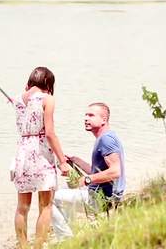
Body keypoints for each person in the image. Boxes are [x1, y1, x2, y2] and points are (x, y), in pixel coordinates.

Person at [10, 67, 70, 249]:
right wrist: (62, 161)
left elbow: (22, 101)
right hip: (40, 152)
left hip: (22, 153)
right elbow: (50, 133)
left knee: (22, 207)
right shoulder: (47, 99)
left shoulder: (17, 99)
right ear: (48, 84)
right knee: (46, 205)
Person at [51, 102, 126, 241]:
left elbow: (116, 171)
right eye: (85, 115)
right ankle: (72, 234)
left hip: (102, 199)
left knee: (50, 199)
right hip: (103, 196)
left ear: (104, 120)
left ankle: (66, 240)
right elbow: (99, 171)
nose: (86, 118)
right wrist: (76, 161)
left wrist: (87, 180)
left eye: (91, 115)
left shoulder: (106, 140)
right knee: (63, 192)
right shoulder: (106, 137)